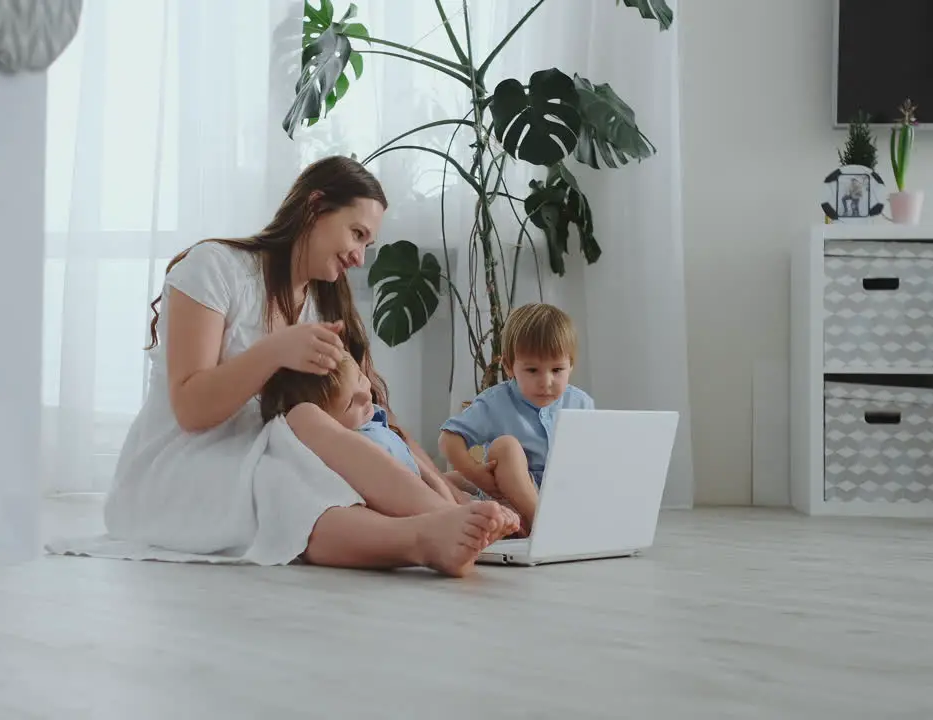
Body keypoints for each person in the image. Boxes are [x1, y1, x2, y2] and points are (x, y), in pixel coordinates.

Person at [103, 156, 518, 577]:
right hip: (184, 461)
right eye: (357, 235)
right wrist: (273, 351)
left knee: (314, 462)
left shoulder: (323, 301)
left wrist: (447, 490)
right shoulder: (214, 267)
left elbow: (378, 413)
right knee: (284, 481)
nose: (359, 258)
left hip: (274, 446)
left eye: (367, 245)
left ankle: (440, 519)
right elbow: (190, 409)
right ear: (315, 207)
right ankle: (423, 539)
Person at [438, 303, 595, 532]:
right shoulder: (495, 402)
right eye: (532, 370)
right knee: (506, 447)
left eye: (557, 370)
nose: (546, 381)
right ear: (510, 367)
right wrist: (475, 473)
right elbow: (448, 439)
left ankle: (539, 522)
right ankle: (542, 525)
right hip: (509, 497)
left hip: (564, 497)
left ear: (570, 365)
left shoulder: (581, 403)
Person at [259, 350, 480, 506]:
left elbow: (419, 466)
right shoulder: (355, 450)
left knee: (461, 482)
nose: (366, 396)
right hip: (417, 506)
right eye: (349, 404)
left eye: (359, 378)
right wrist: (450, 506)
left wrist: (448, 496)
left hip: (431, 494)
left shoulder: (373, 420)